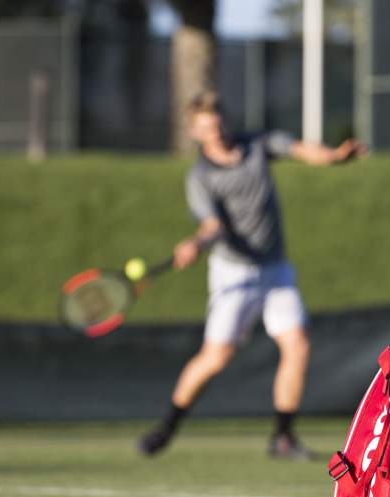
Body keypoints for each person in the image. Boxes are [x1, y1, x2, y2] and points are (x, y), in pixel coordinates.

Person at [138, 91, 365, 459]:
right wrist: (196, 243)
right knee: (215, 359)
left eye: (219, 122)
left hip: (275, 269)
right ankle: (167, 427)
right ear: (195, 133)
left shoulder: (257, 144)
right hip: (233, 273)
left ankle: (283, 437)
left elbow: (300, 149)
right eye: (207, 128)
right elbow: (212, 225)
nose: (217, 131)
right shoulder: (200, 177)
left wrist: (335, 157)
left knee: (298, 345)